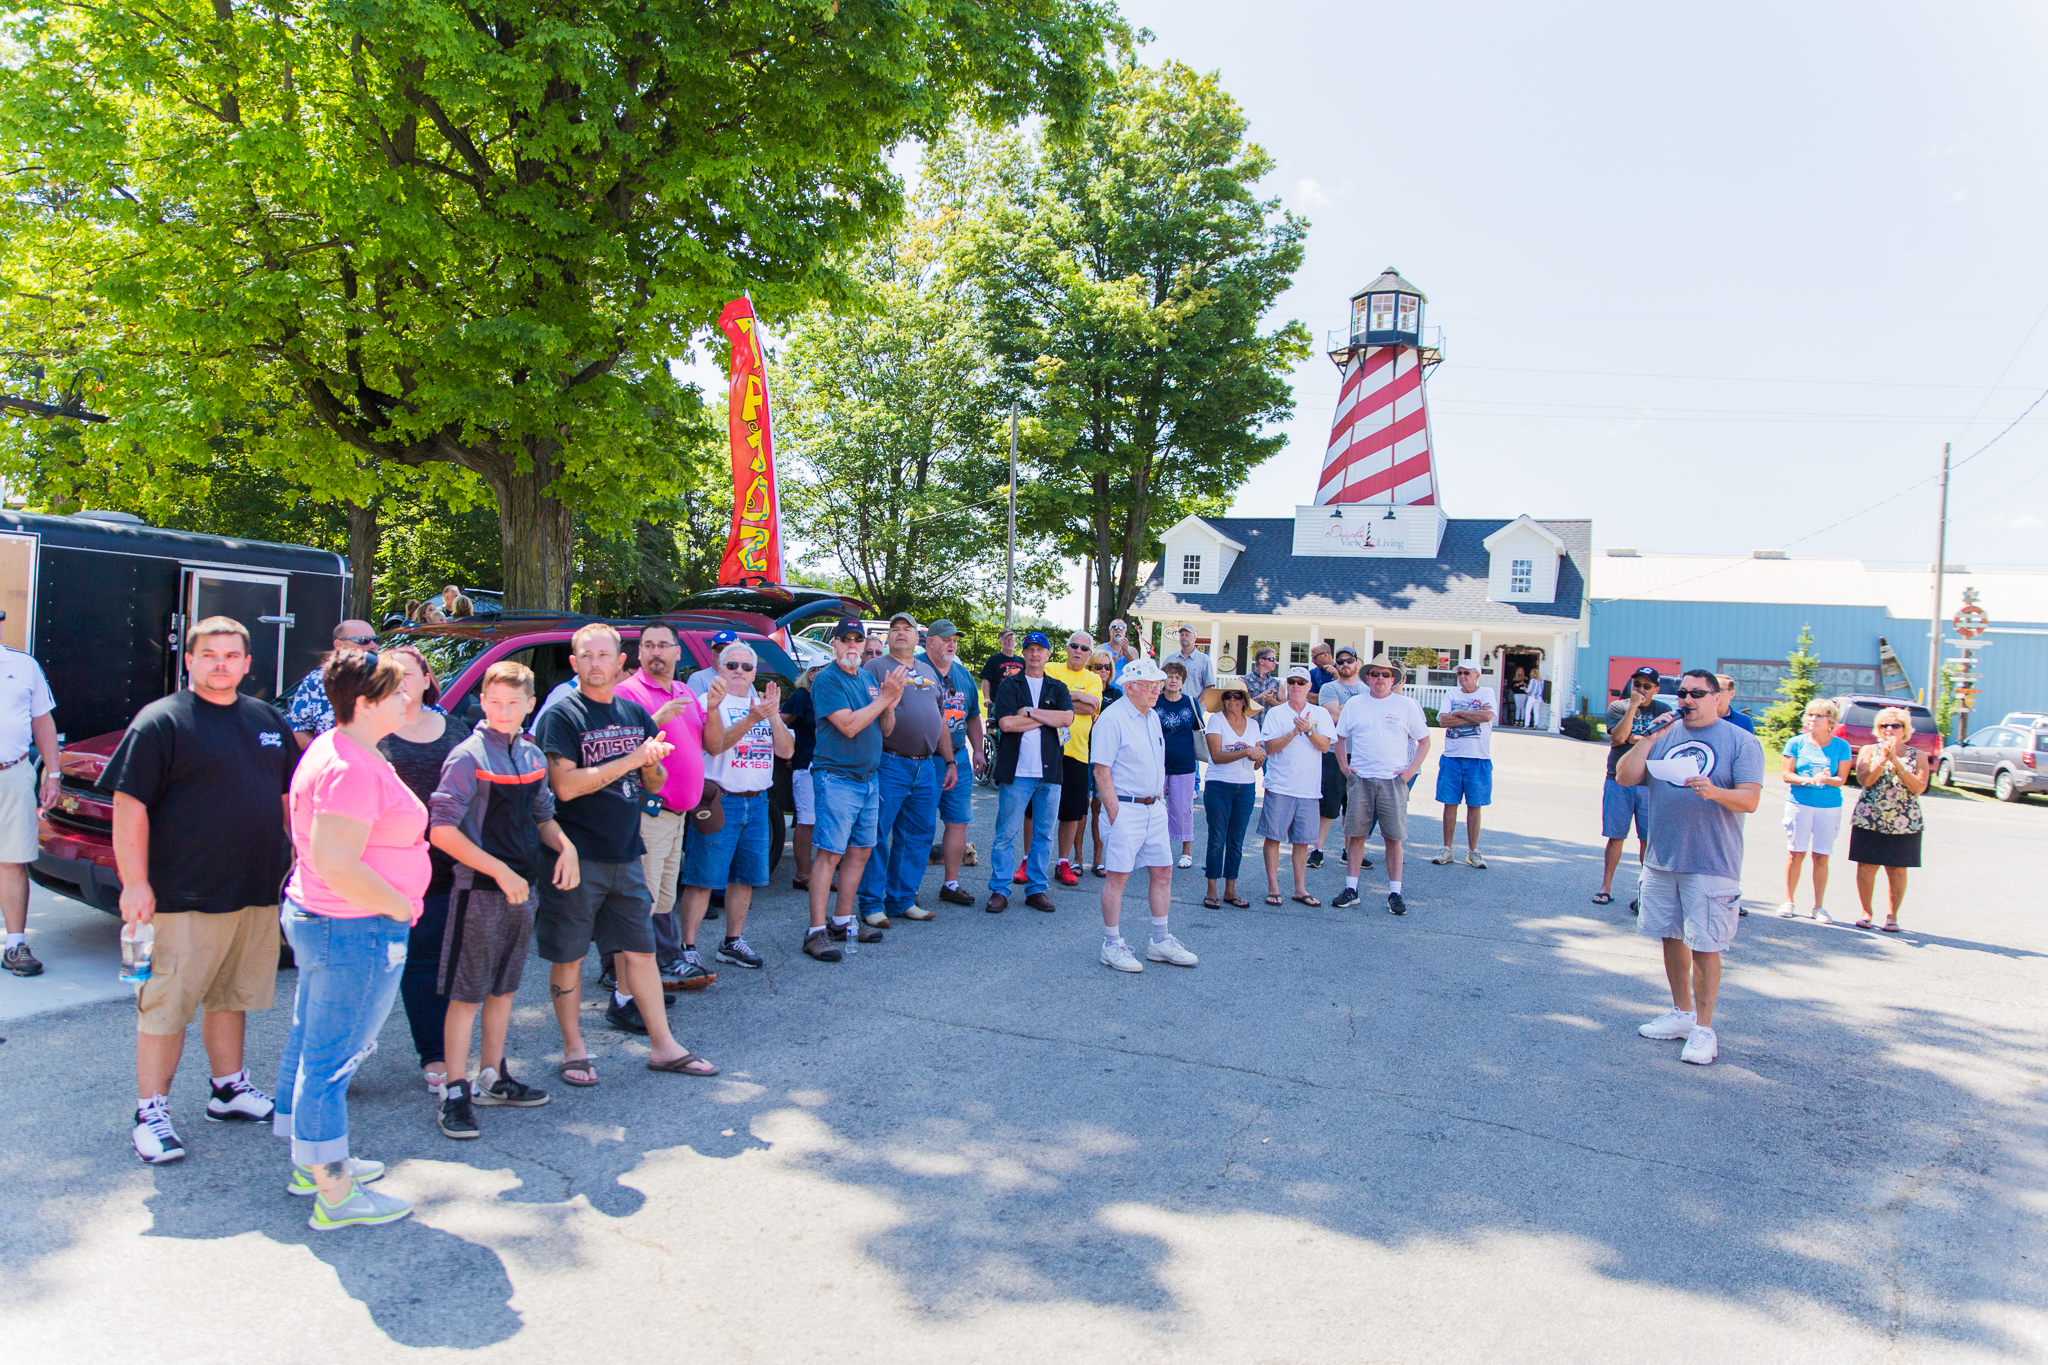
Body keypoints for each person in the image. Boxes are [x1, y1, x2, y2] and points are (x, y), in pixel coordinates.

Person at [104, 617, 296, 1165]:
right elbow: (129, 806)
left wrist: (302, 862)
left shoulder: (267, 721)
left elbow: (287, 802)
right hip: (180, 897)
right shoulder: (161, 722)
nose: (220, 663)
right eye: (208, 654)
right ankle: (150, 1112)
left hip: (255, 892)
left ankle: (228, 1089)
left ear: (248, 663)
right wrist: (135, 884)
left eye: (231, 655)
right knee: (166, 1009)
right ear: (189, 660)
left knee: (233, 997)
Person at [272, 649, 427, 1228]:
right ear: (365, 704)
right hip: (353, 927)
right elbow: (338, 862)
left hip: (332, 923)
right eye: (394, 691)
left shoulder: (345, 751)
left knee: (311, 1047)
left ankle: (310, 1164)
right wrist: (399, 906)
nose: (407, 698)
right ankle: (333, 1192)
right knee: (330, 1063)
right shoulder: (351, 767)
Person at [534, 623, 715, 1081]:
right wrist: (634, 760)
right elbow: (567, 786)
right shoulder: (564, 716)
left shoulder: (634, 716)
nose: (596, 663)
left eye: (604, 655)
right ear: (574, 664)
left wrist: (651, 767)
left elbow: (647, 784)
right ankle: (574, 1050)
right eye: (586, 656)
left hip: (626, 852)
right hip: (576, 856)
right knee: (570, 955)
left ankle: (663, 1045)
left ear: (620, 663)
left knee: (641, 952)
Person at [427, 660, 579, 1139]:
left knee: (504, 990)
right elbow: (441, 830)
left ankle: (493, 1075)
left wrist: (566, 846)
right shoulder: (468, 756)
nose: (504, 710)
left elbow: (543, 816)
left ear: (531, 705)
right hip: (478, 893)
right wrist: (497, 870)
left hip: (522, 892)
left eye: (514, 703)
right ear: (483, 703)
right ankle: (456, 1089)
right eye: (495, 702)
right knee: (466, 994)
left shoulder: (532, 756)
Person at [1616, 669, 1764, 1067]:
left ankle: (1704, 1029)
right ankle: (1680, 1014)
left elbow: (1750, 800)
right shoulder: (1666, 735)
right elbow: (1624, 776)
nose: (1688, 700)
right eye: (1682, 693)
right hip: (1663, 857)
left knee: (1706, 944)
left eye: (1698, 693)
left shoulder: (1741, 742)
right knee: (1670, 936)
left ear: (1718, 698)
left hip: (1711, 860)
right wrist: (1649, 737)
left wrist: (1714, 792)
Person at [377, 645, 472, 1093]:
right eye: (389, 674)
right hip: (384, 874)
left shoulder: (455, 729)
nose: (400, 682)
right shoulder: (369, 732)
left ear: (427, 678)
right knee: (377, 969)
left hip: (448, 870)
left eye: (408, 673)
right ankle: (344, 1054)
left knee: (435, 964)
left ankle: (439, 1053)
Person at [677, 641, 791, 972]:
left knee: (745, 878)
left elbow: (785, 751)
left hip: (757, 802)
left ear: (755, 672)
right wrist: (753, 717)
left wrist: (772, 717)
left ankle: (732, 941)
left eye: (747, 667)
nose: (740, 672)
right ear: (720, 669)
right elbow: (714, 747)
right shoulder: (708, 702)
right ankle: (687, 946)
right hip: (720, 801)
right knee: (702, 878)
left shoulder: (762, 703)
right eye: (732, 666)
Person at [609, 621, 710, 988]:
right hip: (647, 811)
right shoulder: (628, 691)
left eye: (663, 645)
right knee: (641, 898)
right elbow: (618, 747)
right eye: (649, 645)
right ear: (639, 653)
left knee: (664, 895)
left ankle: (663, 961)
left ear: (677, 652)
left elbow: (708, 743)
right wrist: (657, 721)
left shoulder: (683, 690)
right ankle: (619, 976)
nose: (656, 652)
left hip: (678, 816)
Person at [1088, 660, 1197, 973]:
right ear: (1130, 686)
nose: (1156, 690)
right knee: (1118, 877)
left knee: (1163, 871)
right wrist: (1116, 815)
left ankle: (1160, 940)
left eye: (1158, 684)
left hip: (1153, 808)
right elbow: (1101, 771)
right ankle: (1111, 944)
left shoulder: (1151, 716)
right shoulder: (1112, 719)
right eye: (1150, 685)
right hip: (1126, 808)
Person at [807, 618, 906, 959]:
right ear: (834, 645)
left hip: (868, 779)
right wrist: (885, 700)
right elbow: (848, 726)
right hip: (836, 778)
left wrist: (890, 705)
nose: (852, 645)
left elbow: (886, 727)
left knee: (861, 850)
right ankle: (816, 931)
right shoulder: (826, 680)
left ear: (865, 645)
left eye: (857, 639)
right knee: (830, 854)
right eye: (845, 639)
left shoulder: (867, 678)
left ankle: (842, 920)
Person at [858, 613, 951, 927]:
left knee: (919, 835)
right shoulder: (875, 668)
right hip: (890, 763)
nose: (900, 633)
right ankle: (871, 903)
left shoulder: (927, 670)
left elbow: (939, 718)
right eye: (894, 629)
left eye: (907, 629)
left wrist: (949, 761)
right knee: (877, 834)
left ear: (917, 638)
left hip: (926, 766)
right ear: (888, 638)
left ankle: (901, 899)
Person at [1331, 658, 1430, 915]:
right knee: (1356, 835)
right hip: (1361, 779)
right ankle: (1351, 889)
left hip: (1393, 781)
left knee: (1393, 839)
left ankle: (1395, 893)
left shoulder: (1406, 705)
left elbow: (1424, 741)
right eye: (1375, 674)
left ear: (1393, 678)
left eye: (1386, 674)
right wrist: (1345, 767)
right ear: (1367, 678)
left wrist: (1409, 772)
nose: (1380, 678)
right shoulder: (1355, 704)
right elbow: (1339, 738)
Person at [986, 631, 1072, 913]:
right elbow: (1007, 724)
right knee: (1005, 834)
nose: (1035, 654)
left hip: (1050, 774)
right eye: (1030, 649)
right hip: (1018, 773)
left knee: (1044, 835)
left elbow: (1067, 718)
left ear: (1049, 655)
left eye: (1040, 649)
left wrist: (1031, 713)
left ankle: (1037, 889)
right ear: (1024, 654)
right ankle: (1000, 889)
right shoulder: (1011, 686)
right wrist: (1047, 718)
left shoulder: (1057, 688)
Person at [0, 636, 58, 977]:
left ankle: (15, 945)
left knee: (12, 861)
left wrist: (53, 774)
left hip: (13, 772)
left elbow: (43, 722)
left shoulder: (24, 666)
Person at [1259, 665, 1336, 907]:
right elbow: (1269, 748)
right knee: (1273, 838)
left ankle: (1300, 888)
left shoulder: (1320, 714)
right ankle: (1273, 886)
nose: (1295, 686)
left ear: (1309, 687)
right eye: (1291, 681)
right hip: (1280, 786)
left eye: (1301, 682)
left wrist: (1309, 730)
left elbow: (1325, 746)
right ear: (1286, 685)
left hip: (1309, 789)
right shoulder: (1276, 713)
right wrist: (1294, 732)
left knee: (1303, 842)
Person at [922, 620, 985, 907]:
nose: (951, 643)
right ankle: (904, 888)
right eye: (945, 638)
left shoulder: (962, 675)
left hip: (958, 756)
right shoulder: (916, 669)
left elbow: (972, 715)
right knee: (918, 825)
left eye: (955, 639)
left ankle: (951, 883)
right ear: (929, 641)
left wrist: (978, 750)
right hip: (923, 757)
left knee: (958, 822)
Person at [1849, 706, 1927, 932]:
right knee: (1866, 866)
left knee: (1897, 869)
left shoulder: (1917, 755)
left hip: (1904, 819)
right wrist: (1883, 759)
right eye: (1884, 725)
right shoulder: (1868, 750)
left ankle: (1892, 916)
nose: (1890, 729)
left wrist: (1897, 762)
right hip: (1870, 817)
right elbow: (1865, 780)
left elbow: (1918, 787)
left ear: (1905, 729)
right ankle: (1866, 912)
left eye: (1895, 725)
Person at [1597, 667, 1670, 908]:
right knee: (1615, 835)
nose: (1640, 689)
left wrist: (1634, 738)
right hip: (1618, 779)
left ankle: (1646, 892)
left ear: (1656, 690)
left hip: (1651, 782)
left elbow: (1664, 740)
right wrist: (1632, 709)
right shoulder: (1618, 707)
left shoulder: (1663, 710)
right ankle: (1605, 887)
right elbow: (1618, 738)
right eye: (1637, 684)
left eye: (1647, 686)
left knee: (1648, 839)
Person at [1778, 699, 1852, 922]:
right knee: (1796, 853)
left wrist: (1827, 779)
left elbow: (1842, 778)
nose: (1812, 719)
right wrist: (1807, 780)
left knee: (1821, 856)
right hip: (1799, 803)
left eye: (1818, 716)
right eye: (1809, 715)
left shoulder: (1841, 746)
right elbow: (1786, 774)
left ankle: (1818, 907)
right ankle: (1789, 901)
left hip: (1829, 807)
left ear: (1830, 720)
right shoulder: (1796, 743)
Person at [1199, 675, 1263, 909]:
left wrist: (1259, 758)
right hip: (1219, 785)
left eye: (1238, 696)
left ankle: (1230, 890)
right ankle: (1212, 889)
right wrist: (1248, 752)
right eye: (1228, 696)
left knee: (1236, 840)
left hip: (1245, 787)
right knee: (1217, 839)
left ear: (1245, 700)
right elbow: (1216, 756)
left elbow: (1256, 763)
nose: (1233, 700)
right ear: (1223, 700)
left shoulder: (1254, 725)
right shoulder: (1216, 721)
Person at [1049, 633, 1104, 887]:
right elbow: (1043, 700)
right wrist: (1078, 697)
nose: (1078, 650)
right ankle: (1028, 861)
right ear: (1067, 648)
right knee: (1034, 811)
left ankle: (1063, 862)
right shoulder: (1052, 667)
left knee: (1071, 814)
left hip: (1079, 754)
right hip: (1047, 750)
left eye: (1084, 648)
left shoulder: (1093, 678)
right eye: (1074, 645)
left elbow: (1091, 709)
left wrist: (1060, 698)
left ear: (1089, 653)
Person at [1430, 661, 1497, 869]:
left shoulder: (1487, 692)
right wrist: (1472, 717)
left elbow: (1487, 716)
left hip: (1478, 758)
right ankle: (1446, 849)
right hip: (1453, 757)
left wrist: (1458, 713)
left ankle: (1473, 851)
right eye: (1459, 673)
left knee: (1475, 805)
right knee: (1449, 803)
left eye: (1467, 673)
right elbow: (1443, 721)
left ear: (1477, 675)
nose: (1462, 677)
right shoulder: (1451, 695)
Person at [1311, 647, 1369, 868]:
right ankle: (1317, 849)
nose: (1345, 664)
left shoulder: (1367, 688)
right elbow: (1333, 715)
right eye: (1341, 661)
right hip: (1335, 753)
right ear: (1336, 664)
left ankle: (1349, 851)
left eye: (1350, 660)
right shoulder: (1328, 687)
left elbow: (1370, 716)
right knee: (1328, 805)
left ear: (1357, 664)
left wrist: (1346, 707)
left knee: (1353, 807)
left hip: (1362, 754)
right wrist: (1357, 707)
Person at [284, 618, 381, 748]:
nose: (372, 646)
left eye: (376, 640)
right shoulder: (317, 681)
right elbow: (296, 727)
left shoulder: (389, 679)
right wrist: (324, 753)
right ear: (339, 645)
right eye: (363, 640)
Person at [1157, 662, 1203, 869]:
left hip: (1184, 765)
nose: (1173, 680)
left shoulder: (1191, 703)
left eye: (1177, 677)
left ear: (1183, 681)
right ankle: (1157, 849)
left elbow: (1199, 731)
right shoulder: (1154, 702)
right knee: (1155, 808)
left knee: (1183, 810)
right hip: (1158, 765)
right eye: (1169, 676)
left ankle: (1186, 852)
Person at [1083, 649, 1125, 877]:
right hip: (1080, 752)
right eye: (1098, 666)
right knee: (1080, 808)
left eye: (1107, 667)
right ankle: (1076, 859)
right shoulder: (1082, 686)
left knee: (1099, 808)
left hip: (1104, 758)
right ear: (1090, 668)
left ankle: (1098, 858)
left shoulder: (1115, 693)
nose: (1103, 671)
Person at [781, 667, 819, 891]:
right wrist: (789, 750)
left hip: (828, 764)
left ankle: (817, 872)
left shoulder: (828, 694)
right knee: (807, 820)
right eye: (821, 669)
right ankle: (803, 874)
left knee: (823, 820)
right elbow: (780, 722)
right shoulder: (801, 696)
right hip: (806, 764)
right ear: (812, 673)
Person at [1163, 625, 1215, 699]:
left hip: (1194, 707)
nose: (1184, 637)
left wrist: (1196, 704)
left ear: (1194, 638)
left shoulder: (1204, 660)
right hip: (1172, 706)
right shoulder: (1170, 659)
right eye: (1181, 635)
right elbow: (1161, 683)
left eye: (1187, 635)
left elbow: (1210, 687)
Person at [980, 628, 1024, 711]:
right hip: (999, 703)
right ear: (1000, 642)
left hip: (1018, 703)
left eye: (1011, 639)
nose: (1010, 641)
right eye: (1006, 639)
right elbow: (986, 680)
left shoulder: (1022, 661)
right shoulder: (993, 660)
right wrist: (987, 698)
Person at [686, 629, 741, 696]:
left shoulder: (743, 678)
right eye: (719, 649)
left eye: (729, 649)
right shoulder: (698, 679)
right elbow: (693, 706)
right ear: (712, 654)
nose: (724, 654)